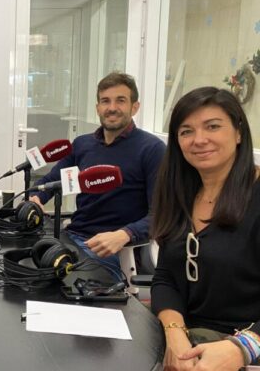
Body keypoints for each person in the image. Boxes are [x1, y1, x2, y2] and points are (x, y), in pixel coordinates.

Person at [149, 87, 259, 371]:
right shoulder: (180, 194)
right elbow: (166, 278)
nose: (199, 139)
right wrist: (174, 334)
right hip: (189, 340)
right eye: (187, 131)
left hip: (244, 355)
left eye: (213, 126)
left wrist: (240, 348)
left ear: (239, 133)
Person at [29, 72, 165, 272]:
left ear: (135, 107)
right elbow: (50, 181)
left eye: (120, 101)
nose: (112, 108)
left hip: (115, 251)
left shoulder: (152, 149)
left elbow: (162, 215)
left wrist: (125, 234)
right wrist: (36, 198)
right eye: (105, 101)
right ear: (98, 108)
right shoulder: (83, 144)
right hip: (74, 238)